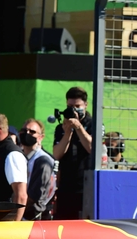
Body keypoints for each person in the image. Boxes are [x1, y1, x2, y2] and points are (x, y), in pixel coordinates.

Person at [52, 86, 93, 219]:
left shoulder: (93, 124)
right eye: (70, 106)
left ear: (85, 105)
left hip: (86, 186)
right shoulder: (61, 127)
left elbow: (92, 149)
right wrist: (68, 131)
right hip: (66, 186)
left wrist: (79, 127)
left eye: (77, 106)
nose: (74, 110)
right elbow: (57, 154)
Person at [19, 118, 55, 220]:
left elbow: (36, 196)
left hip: (34, 217)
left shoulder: (43, 160)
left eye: (32, 132)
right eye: (24, 130)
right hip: (21, 212)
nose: (27, 133)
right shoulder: (18, 156)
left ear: (41, 137)